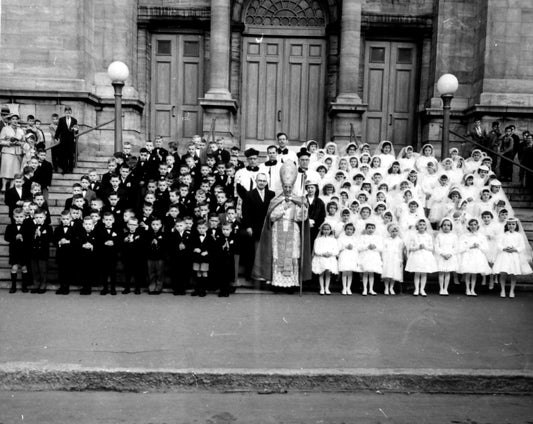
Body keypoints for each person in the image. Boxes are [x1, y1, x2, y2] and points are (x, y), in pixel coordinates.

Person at [252, 161, 312, 291]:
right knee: (278, 256)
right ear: (283, 186)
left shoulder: (298, 200)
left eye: (290, 187)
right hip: (277, 229)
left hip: (293, 229)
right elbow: (271, 217)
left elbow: (301, 218)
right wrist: (283, 208)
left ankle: (291, 285)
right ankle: (278, 284)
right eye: (285, 187)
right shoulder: (276, 200)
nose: (288, 189)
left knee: (292, 256)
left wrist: (303, 209)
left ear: (293, 186)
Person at [240, 173, 275, 280]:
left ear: (267, 182)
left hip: (267, 227)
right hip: (254, 227)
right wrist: (248, 227)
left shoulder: (272, 194)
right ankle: (250, 275)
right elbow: (245, 212)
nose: (262, 183)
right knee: (252, 251)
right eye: (260, 180)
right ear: (256, 181)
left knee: (266, 251)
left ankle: (265, 274)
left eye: (264, 181)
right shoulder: (249, 194)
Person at [492, 217, 533, 298]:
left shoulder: (519, 235)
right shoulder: (503, 235)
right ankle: (502, 290)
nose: (511, 226)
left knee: (513, 274)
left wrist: (515, 249)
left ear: (516, 225)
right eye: (509, 224)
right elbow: (498, 244)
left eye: (513, 224)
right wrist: (504, 248)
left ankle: (512, 291)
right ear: (507, 225)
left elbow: (522, 246)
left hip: (514, 256)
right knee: (503, 273)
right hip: (504, 255)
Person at [458, 218, 491, 296]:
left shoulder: (481, 236)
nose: (473, 226)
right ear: (469, 226)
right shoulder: (464, 236)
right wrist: (470, 246)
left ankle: (472, 289)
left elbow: (486, 248)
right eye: (471, 225)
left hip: (477, 255)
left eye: (475, 224)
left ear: (477, 225)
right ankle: (467, 289)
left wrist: (479, 246)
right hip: (468, 254)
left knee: (474, 273)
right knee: (468, 272)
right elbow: (460, 247)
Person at [405, 218, 436, 296]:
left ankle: (422, 289)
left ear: (426, 226)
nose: (422, 226)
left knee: (424, 273)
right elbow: (410, 247)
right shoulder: (414, 236)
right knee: (417, 273)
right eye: (420, 225)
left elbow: (432, 248)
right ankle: (416, 289)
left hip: (425, 255)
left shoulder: (428, 236)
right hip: (416, 255)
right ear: (417, 226)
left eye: (423, 225)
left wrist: (425, 247)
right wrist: (418, 247)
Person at [25, 209, 53, 294]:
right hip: (33, 251)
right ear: (34, 217)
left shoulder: (48, 227)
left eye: (40, 217)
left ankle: (43, 284)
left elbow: (50, 239)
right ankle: (36, 284)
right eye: (36, 217)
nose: (38, 219)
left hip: (43, 252)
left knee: (42, 269)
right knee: (35, 269)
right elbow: (28, 239)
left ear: (44, 217)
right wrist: (34, 235)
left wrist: (41, 235)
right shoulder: (32, 227)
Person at [4, 207, 31, 293]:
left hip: (24, 250)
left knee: (24, 268)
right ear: (13, 217)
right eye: (17, 217)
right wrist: (14, 237)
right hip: (14, 250)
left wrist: (24, 238)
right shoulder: (10, 226)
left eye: (21, 217)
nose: (19, 218)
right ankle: (13, 286)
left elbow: (30, 238)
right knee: (14, 267)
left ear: (24, 217)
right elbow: (6, 238)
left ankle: (24, 286)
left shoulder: (27, 226)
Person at [95, 212, 120, 295]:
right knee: (104, 272)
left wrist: (114, 242)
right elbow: (97, 241)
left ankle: (113, 288)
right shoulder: (99, 229)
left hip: (113, 254)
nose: (108, 221)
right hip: (103, 254)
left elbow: (120, 240)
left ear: (113, 220)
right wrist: (104, 243)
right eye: (106, 220)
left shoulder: (117, 229)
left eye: (110, 220)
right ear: (103, 220)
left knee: (113, 272)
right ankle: (105, 288)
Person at [311, 222, 339, 295]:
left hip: (330, 258)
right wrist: (323, 253)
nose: (326, 231)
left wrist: (330, 253)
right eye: (324, 229)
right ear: (322, 230)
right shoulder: (318, 240)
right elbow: (316, 250)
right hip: (321, 257)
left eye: (328, 229)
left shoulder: (333, 240)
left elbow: (336, 250)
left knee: (328, 273)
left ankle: (327, 288)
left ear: (330, 230)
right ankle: (322, 288)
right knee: (321, 273)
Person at [0, 113, 25, 190]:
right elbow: (0, 141)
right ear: (10, 120)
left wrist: (19, 143)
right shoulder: (5, 129)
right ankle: (3, 187)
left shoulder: (21, 130)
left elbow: (24, 141)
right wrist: (9, 143)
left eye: (16, 119)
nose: (15, 121)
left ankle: (12, 187)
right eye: (13, 119)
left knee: (15, 170)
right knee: (6, 169)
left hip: (17, 152)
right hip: (7, 151)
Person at [53, 210, 76, 295]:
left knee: (68, 271)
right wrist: (59, 241)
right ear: (61, 219)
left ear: (71, 218)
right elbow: (54, 240)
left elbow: (76, 240)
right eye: (64, 219)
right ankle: (62, 286)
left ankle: (66, 287)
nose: (65, 220)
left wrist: (68, 241)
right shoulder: (58, 229)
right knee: (61, 271)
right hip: (60, 254)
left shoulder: (74, 229)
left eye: (67, 218)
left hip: (70, 254)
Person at [166, 218, 191, 295]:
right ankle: (176, 289)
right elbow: (170, 246)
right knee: (175, 273)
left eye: (181, 225)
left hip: (185, 257)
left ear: (185, 226)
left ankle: (183, 289)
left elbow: (191, 244)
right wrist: (177, 246)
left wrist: (186, 247)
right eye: (177, 226)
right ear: (175, 227)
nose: (179, 227)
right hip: (175, 257)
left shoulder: (189, 234)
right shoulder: (172, 234)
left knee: (184, 273)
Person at [434, 218, 458, 296]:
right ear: (441, 226)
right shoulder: (439, 235)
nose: (446, 227)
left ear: (451, 227)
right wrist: (443, 254)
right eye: (444, 225)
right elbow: (436, 246)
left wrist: (450, 254)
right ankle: (441, 288)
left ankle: (446, 289)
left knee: (447, 273)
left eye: (448, 225)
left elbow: (456, 247)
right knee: (441, 272)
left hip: (450, 256)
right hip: (441, 256)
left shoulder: (454, 236)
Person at [121, 217, 145, 295]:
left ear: (137, 225)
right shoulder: (124, 234)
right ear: (128, 225)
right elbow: (121, 246)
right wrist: (125, 241)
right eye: (130, 224)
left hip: (137, 257)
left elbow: (141, 246)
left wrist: (133, 242)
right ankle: (127, 288)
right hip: (127, 257)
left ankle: (137, 288)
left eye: (134, 225)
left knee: (137, 273)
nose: (132, 226)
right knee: (127, 273)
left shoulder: (141, 234)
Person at [357, 221, 383, 296]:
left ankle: (371, 289)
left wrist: (375, 247)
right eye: (369, 228)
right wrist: (367, 246)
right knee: (365, 272)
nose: (370, 229)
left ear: (374, 229)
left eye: (372, 228)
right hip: (365, 255)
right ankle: (365, 289)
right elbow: (358, 247)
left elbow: (381, 248)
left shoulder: (377, 237)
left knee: (371, 273)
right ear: (365, 229)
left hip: (374, 256)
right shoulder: (362, 237)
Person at [190, 219, 213, 297]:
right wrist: (194, 249)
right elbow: (190, 245)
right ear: (197, 228)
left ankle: (203, 290)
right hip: (196, 258)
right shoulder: (193, 236)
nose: (201, 230)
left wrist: (207, 252)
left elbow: (213, 247)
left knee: (204, 272)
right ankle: (197, 289)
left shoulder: (210, 237)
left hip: (205, 259)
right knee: (198, 273)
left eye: (203, 228)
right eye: (199, 228)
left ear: (206, 228)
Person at [213, 221, 237, 297]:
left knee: (228, 276)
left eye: (227, 230)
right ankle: (222, 290)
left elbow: (235, 248)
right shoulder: (219, 238)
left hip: (229, 260)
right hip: (221, 260)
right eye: (224, 229)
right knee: (221, 275)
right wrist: (222, 247)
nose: (225, 231)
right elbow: (216, 248)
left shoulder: (233, 237)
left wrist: (230, 246)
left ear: (231, 230)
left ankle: (226, 290)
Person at [381, 223, 405, 295]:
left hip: (396, 258)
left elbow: (400, 251)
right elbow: (383, 249)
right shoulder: (386, 240)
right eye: (393, 231)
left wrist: (400, 260)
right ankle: (386, 287)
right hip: (388, 258)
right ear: (389, 232)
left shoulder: (400, 241)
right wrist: (383, 258)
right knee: (387, 272)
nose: (394, 233)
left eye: (396, 231)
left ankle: (391, 287)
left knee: (394, 273)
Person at [144, 217, 166, 295]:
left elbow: (166, 246)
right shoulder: (148, 234)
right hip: (150, 256)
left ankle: (158, 287)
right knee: (151, 273)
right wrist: (151, 242)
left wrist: (158, 243)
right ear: (151, 225)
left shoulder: (164, 234)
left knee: (159, 273)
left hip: (160, 256)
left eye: (157, 224)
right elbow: (145, 244)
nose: (155, 226)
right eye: (153, 224)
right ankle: (152, 287)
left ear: (160, 225)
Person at [54, 106, 78, 174]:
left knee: (70, 155)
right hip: (63, 140)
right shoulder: (61, 119)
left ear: (71, 113)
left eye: (69, 113)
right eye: (67, 112)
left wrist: (76, 132)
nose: (68, 114)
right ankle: (64, 169)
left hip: (70, 140)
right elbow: (58, 129)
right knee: (63, 155)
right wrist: (56, 137)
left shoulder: (74, 120)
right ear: (65, 112)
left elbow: (76, 130)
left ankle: (70, 169)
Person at [337, 222, 358, 295]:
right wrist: (345, 247)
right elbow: (338, 247)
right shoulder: (341, 238)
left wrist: (352, 247)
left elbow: (357, 247)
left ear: (353, 231)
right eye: (348, 229)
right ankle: (344, 288)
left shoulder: (355, 238)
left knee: (350, 272)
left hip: (352, 255)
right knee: (345, 271)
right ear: (345, 230)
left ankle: (348, 287)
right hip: (344, 255)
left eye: (351, 229)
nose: (349, 230)